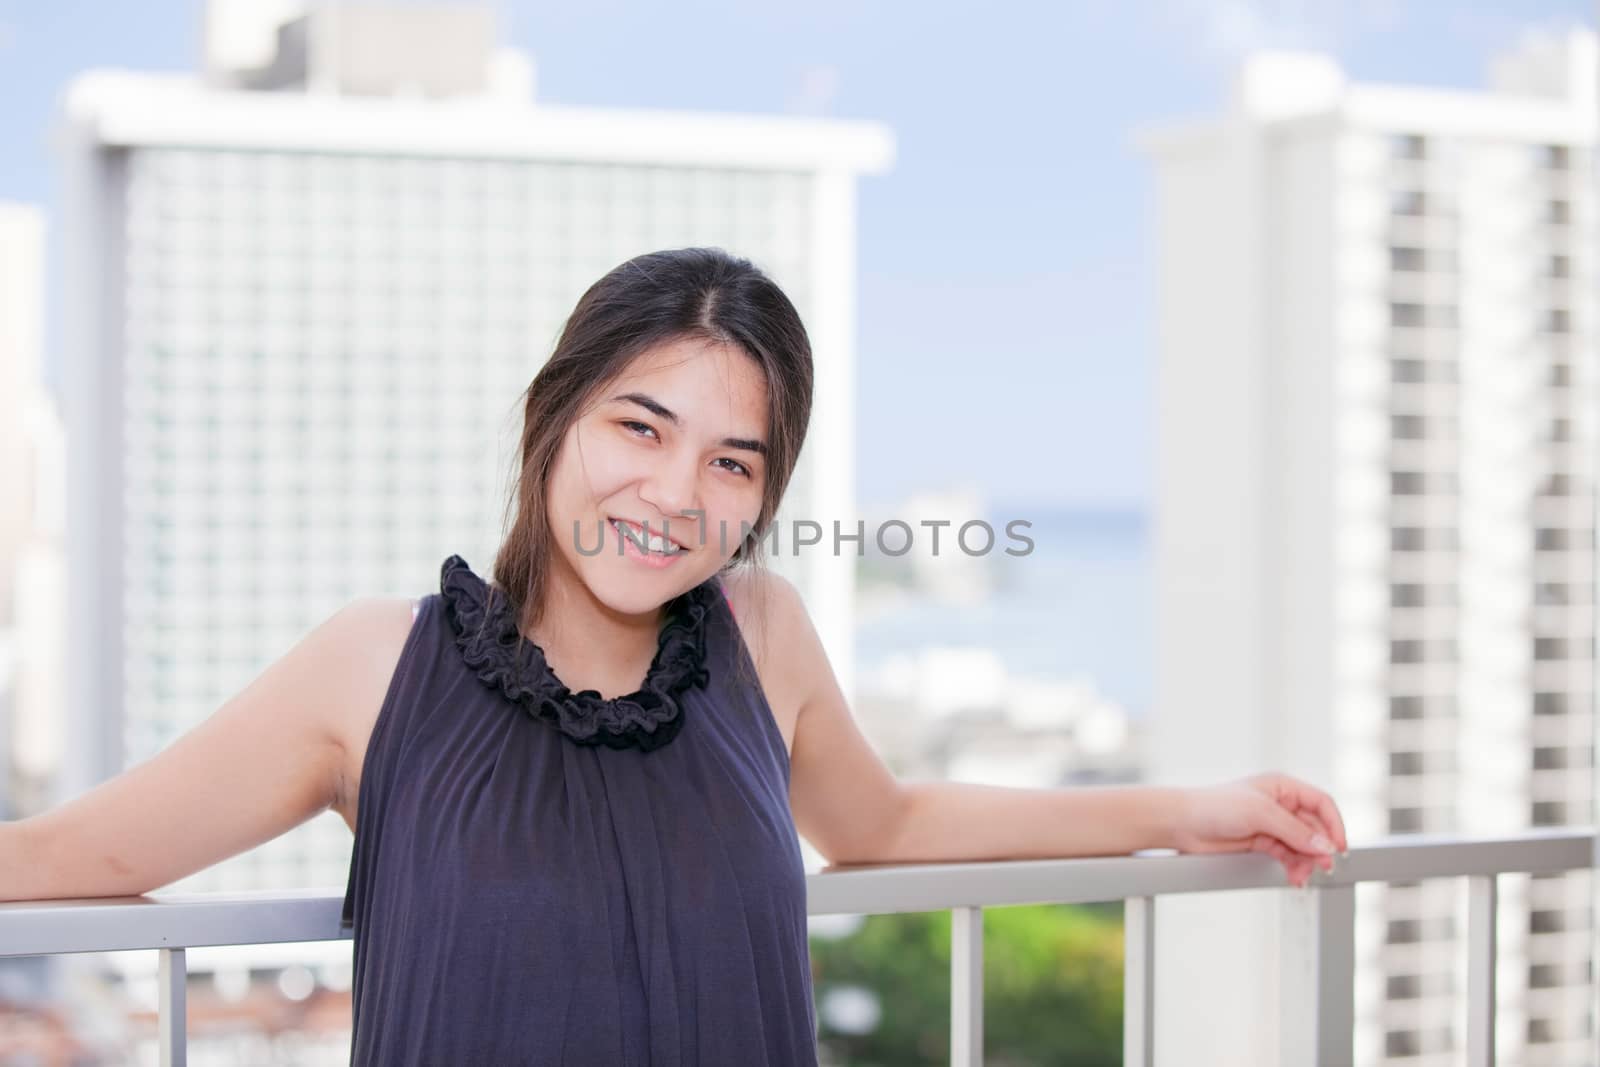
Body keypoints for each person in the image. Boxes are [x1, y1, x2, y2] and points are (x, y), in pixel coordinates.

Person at [2, 247, 1348, 1064]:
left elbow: (887, 824)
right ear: (554, 420)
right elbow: (64, 863)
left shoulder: (765, 634)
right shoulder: (373, 667)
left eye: (730, 460)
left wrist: (1188, 810)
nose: (672, 493)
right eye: (637, 427)